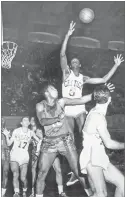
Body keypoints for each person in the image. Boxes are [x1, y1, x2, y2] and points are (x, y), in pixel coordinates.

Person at [60, 21, 124, 186]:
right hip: (67, 109)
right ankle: (75, 171)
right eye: (71, 61)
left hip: (80, 108)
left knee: (85, 137)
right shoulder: (66, 74)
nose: (73, 62)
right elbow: (62, 55)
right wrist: (68, 35)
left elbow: (102, 80)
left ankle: (89, 165)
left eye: (75, 61)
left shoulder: (84, 78)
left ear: (79, 65)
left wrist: (116, 65)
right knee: (70, 141)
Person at [35, 82, 94, 197]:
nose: (56, 89)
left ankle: (91, 194)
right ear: (47, 93)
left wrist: (95, 94)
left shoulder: (61, 102)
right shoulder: (40, 105)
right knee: (41, 173)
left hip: (65, 140)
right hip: (49, 142)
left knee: (78, 171)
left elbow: (81, 100)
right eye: (52, 88)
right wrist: (57, 118)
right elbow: (43, 121)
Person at [80, 85, 125, 197]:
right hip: (92, 157)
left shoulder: (96, 111)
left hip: (99, 155)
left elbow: (97, 95)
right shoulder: (97, 116)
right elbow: (108, 143)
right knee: (101, 194)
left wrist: (103, 88)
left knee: (122, 184)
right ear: (109, 99)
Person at [3, 117, 40, 197]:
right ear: (21, 123)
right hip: (15, 154)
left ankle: (24, 189)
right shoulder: (16, 131)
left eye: (27, 120)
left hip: (24, 156)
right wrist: (6, 136)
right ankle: (16, 192)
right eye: (24, 120)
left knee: (23, 178)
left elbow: (39, 141)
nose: (26, 121)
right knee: (15, 174)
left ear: (29, 123)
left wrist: (36, 145)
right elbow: (9, 144)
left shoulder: (31, 132)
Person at [29, 117, 65, 197]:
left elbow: (46, 139)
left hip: (48, 150)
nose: (33, 121)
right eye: (31, 120)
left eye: (34, 119)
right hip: (37, 153)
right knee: (35, 173)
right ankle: (33, 192)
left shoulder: (41, 128)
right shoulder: (28, 131)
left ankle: (61, 192)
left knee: (58, 169)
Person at [1, 117, 10, 197]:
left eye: (3, 120)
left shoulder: (5, 131)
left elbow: (9, 143)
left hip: (6, 154)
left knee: (5, 173)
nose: (1, 121)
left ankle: (3, 193)